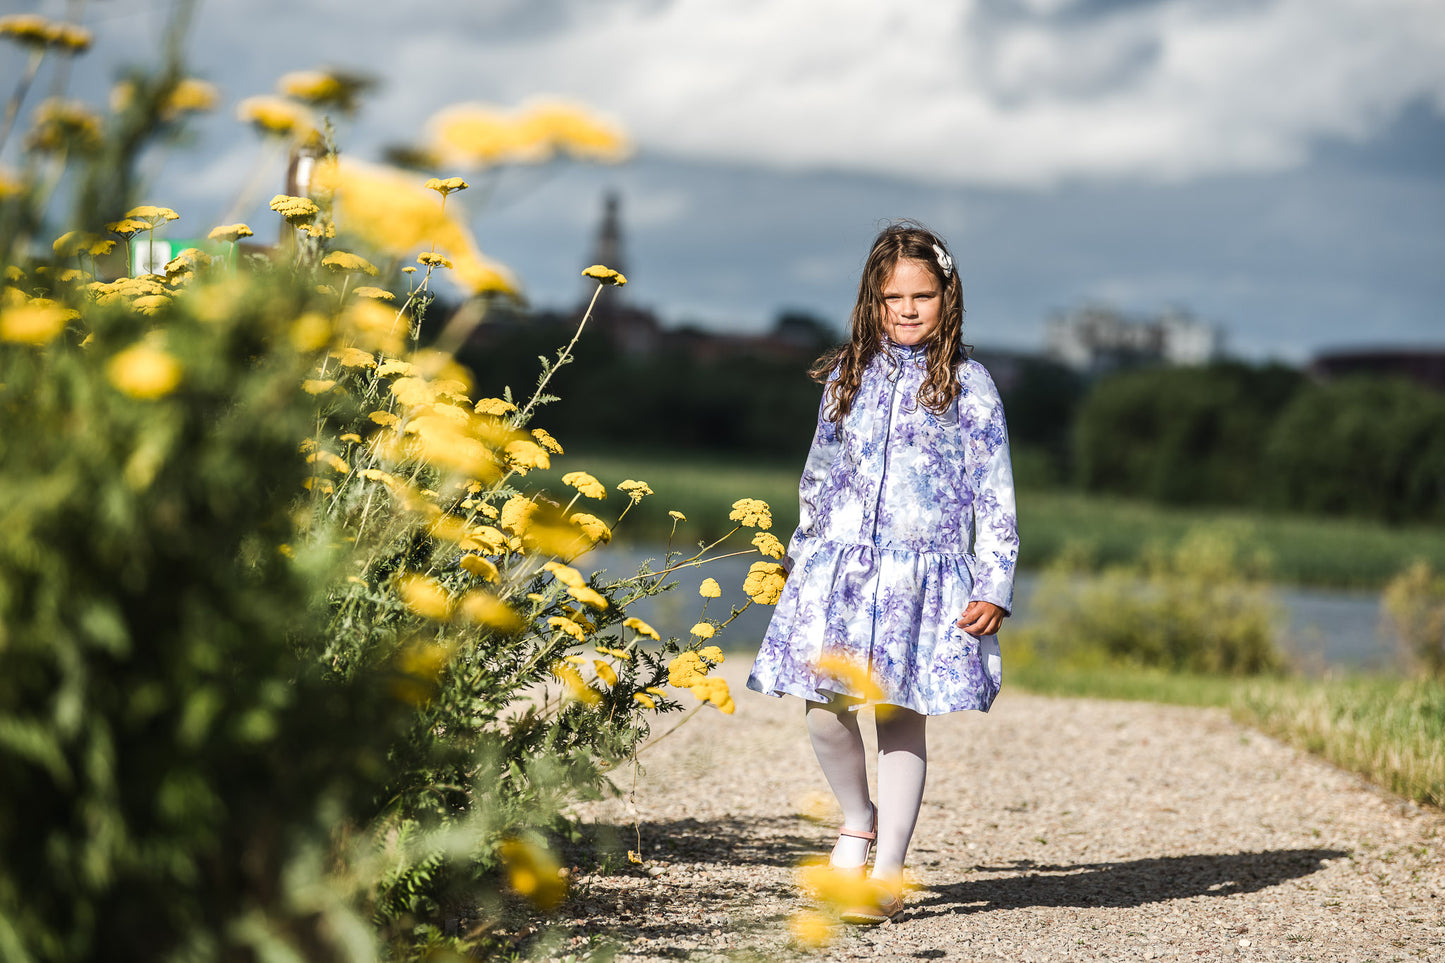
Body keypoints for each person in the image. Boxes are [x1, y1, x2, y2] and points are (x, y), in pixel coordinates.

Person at [746, 222, 1018, 924]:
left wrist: (994, 580)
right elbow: (821, 473)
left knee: (900, 718)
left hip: (922, 577)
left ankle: (889, 871)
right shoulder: (846, 376)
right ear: (870, 300)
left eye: (921, 295)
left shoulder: (969, 384)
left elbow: (994, 488)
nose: (905, 308)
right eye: (891, 296)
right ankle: (855, 819)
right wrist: (801, 549)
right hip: (840, 567)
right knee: (824, 706)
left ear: (946, 297)